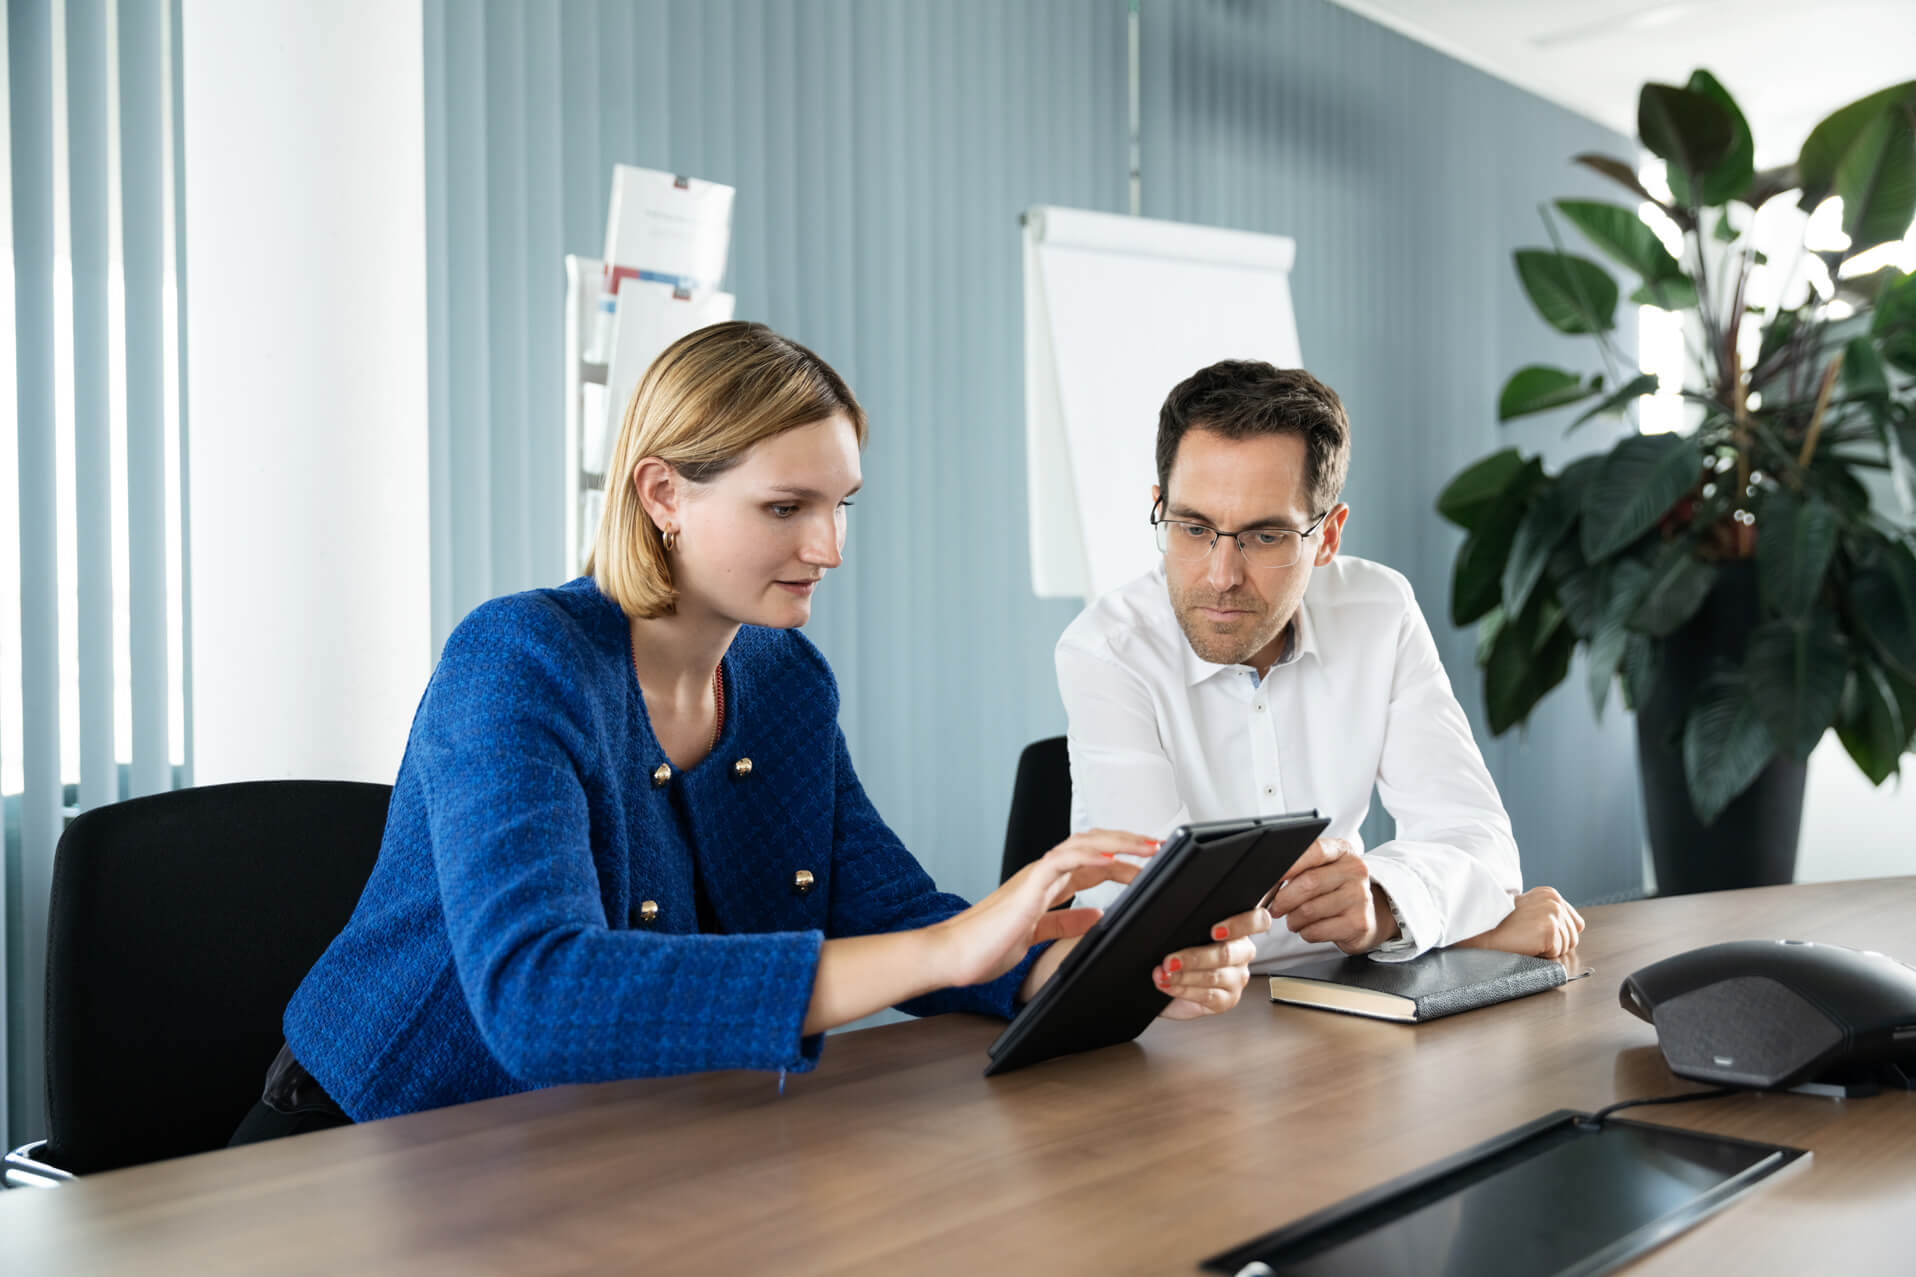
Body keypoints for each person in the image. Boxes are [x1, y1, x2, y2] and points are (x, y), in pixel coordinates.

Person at [233, 323, 1268, 1144]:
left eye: (840, 503)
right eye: (785, 506)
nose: (827, 545)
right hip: (370, 1147)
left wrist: (1078, 967)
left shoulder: (782, 679)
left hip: (608, 1139)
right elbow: (537, 995)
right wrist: (943, 947)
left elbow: (889, 908)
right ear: (662, 493)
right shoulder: (518, 662)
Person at [1055, 360, 1584, 970]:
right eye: (1194, 527)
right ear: (1160, 509)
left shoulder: (1379, 612)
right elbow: (1169, 921)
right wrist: (1451, 921)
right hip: (1157, 1026)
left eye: (1266, 536)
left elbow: (1479, 841)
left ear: (1328, 536)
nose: (1221, 576)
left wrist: (1383, 903)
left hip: (1334, 1009)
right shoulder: (1104, 650)